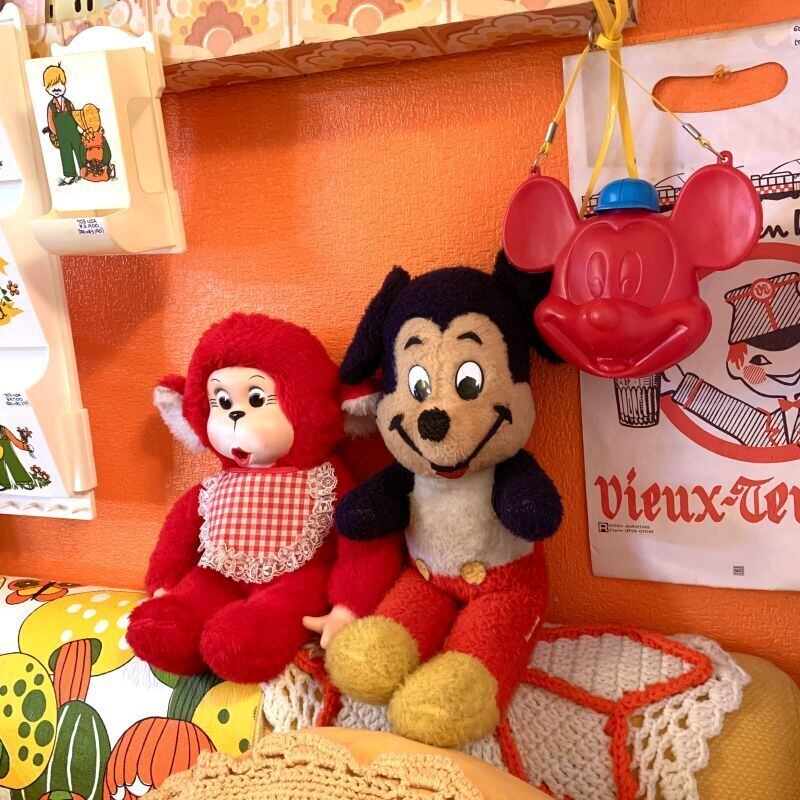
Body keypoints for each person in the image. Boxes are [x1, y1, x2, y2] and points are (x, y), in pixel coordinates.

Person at [665, 273, 800, 447]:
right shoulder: (768, 428)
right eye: (759, 360)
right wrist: (680, 385)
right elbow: (734, 416)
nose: (787, 370)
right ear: (736, 365)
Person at [42, 64, 85, 186]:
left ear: (64, 85)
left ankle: (84, 169)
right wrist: (56, 133)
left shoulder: (68, 103)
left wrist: (81, 128)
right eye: (52, 85)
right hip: (62, 135)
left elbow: (76, 116)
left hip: (74, 132)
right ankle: (70, 174)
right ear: (46, 88)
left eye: (59, 84)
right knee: (66, 153)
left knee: (80, 149)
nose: (56, 88)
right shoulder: (51, 106)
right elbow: (50, 121)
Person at [73, 104, 115, 182]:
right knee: (84, 172)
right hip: (90, 164)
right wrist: (85, 163)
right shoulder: (85, 138)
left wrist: (105, 161)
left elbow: (106, 151)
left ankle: (103, 174)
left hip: (101, 163)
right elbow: (82, 151)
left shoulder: (100, 137)